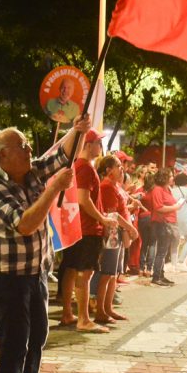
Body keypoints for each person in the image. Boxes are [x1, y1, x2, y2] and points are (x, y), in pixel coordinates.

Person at [0, 123, 84, 373]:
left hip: (36, 271)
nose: (29, 149)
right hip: (10, 278)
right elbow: (25, 224)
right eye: (22, 145)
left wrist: (78, 128)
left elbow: (64, 153)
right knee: (14, 344)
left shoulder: (31, 172)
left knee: (38, 335)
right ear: (3, 155)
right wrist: (54, 189)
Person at [58, 129, 117, 332]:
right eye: (98, 143)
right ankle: (83, 319)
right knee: (85, 272)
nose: (100, 147)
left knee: (72, 269)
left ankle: (68, 313)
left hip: (78, 226)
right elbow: (84, 199)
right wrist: (102, 218)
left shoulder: (79, 166)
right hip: (87, 228)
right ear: (88, 144)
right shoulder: (85, 168)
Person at [95, 155, 138, 323]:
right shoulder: (107, 186)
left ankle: (108, 308)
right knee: (107, 273)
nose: (122, 169)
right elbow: (113, 213)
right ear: (108, 170)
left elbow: (122, 208)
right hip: (112, 232)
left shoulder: (116, 186)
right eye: (118, 166)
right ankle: (100, 311)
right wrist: (129, 227)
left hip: (119, 232)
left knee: (114, 273)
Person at [149, 168, 184, 287]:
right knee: (161, 251)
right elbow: (158, 207)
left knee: (164, 251)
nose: (172, 177)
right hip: (162, 223)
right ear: (164, 177)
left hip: (169, 223)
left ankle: (161, 275)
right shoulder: (157, 190)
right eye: (170, 176)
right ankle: (156, 276)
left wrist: (175, 206)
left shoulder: (167, 189)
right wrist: (175, 207)